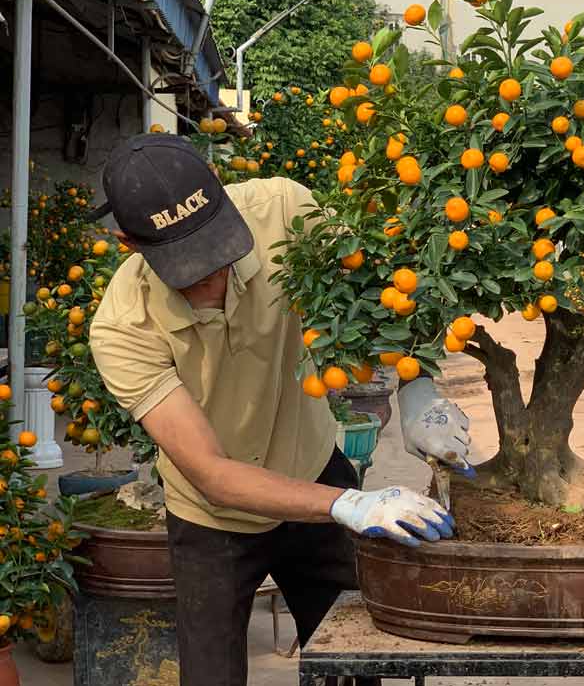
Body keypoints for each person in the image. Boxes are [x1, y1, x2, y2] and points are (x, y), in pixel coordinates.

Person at [87, 134, 472, 686]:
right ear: (129, 242)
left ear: (221, 194)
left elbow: (384, 288)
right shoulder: (124, 330)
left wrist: (417, 395)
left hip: (309, 463)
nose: (211, 275)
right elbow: (213, 474)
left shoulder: (282, 210)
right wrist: (350, 504)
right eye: (188, 266)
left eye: (217, 251)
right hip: (211, 519)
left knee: (358, 664)